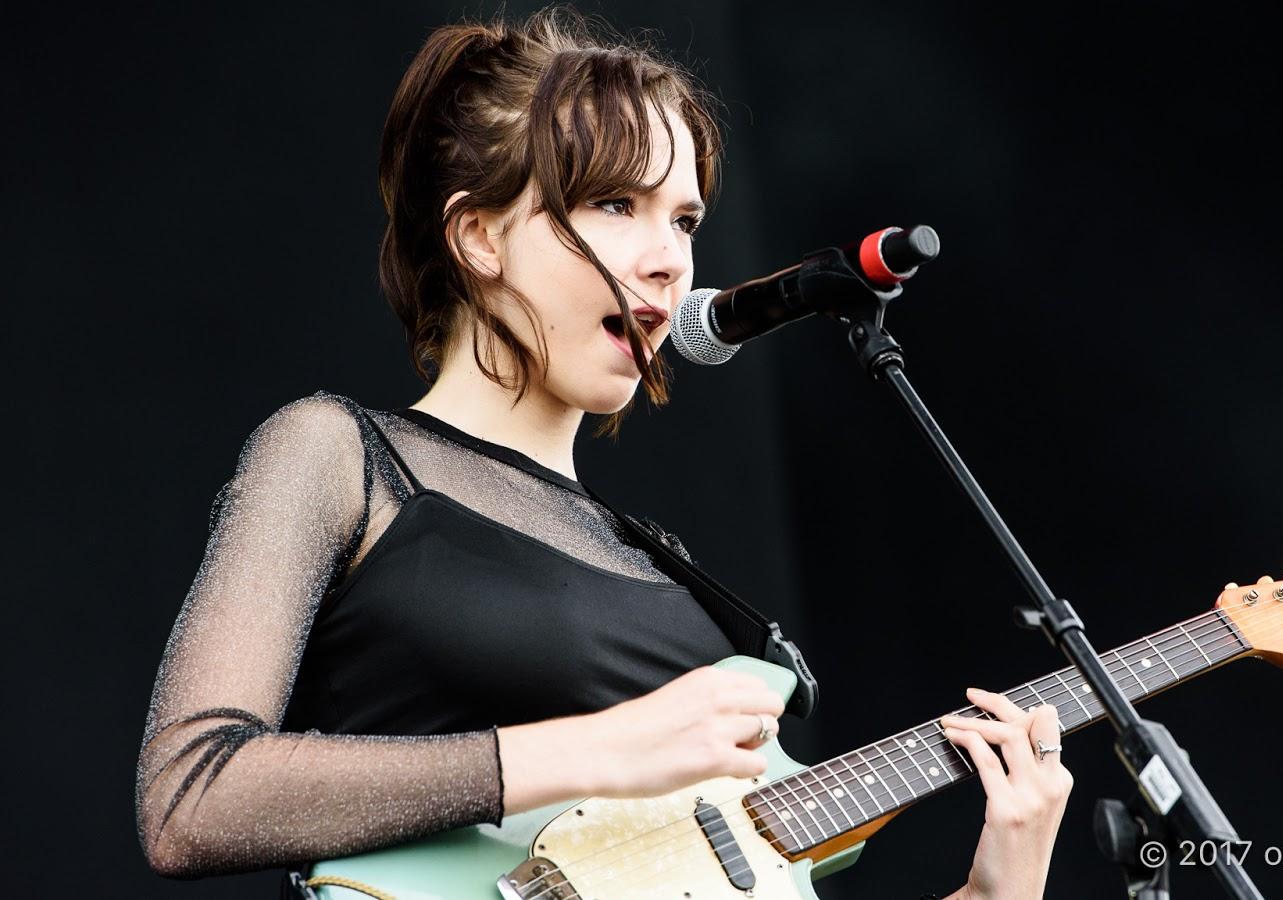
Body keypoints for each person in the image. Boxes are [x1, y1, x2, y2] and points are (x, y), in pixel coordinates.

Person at [135, 8, 1072, 898]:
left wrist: (995, 889)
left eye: (685, 220)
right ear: (479, 236)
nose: (670, 259)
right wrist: (601, 749)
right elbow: (189, 797)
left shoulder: (665, 574)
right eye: (616, 203)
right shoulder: (346, 456)